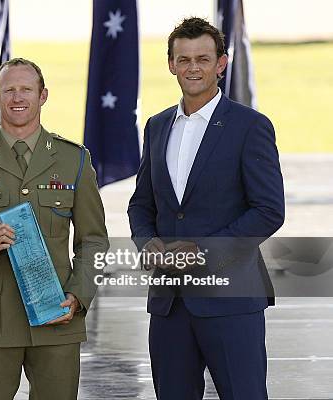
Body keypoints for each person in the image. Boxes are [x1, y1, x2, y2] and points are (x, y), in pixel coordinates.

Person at [128, 17, 284, 400]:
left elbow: (268, 210)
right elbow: (141, 204)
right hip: (170, 304)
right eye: (183, 60)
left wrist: (202, 250)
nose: (192, 68)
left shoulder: (250, 126)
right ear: (171, 64)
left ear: (221, 63)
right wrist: (147, 242)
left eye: (202, 58)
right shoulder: (157, 126)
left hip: (232, 300)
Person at [0, 58, 109, 399]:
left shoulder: (74, 159)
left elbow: (94, 242)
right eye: (9, 89)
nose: (18, 97)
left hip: (57, 317)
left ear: (43, 96)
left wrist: (78, 297)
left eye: (27, 89)